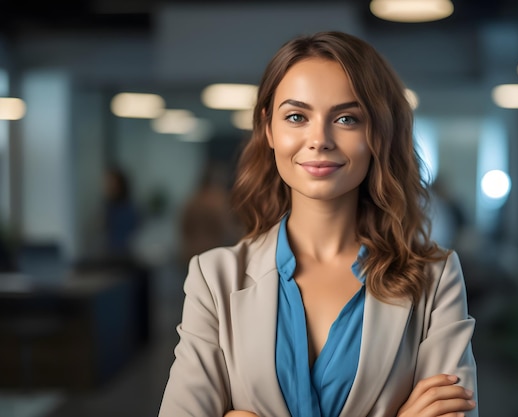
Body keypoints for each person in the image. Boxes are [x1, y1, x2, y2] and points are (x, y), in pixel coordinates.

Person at [159, 31, 477, 417]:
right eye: (296, 116)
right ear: (269, 129)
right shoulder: (214, 278)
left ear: (378, 132)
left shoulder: (435, 279)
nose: (319, 139)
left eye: (346, 118)